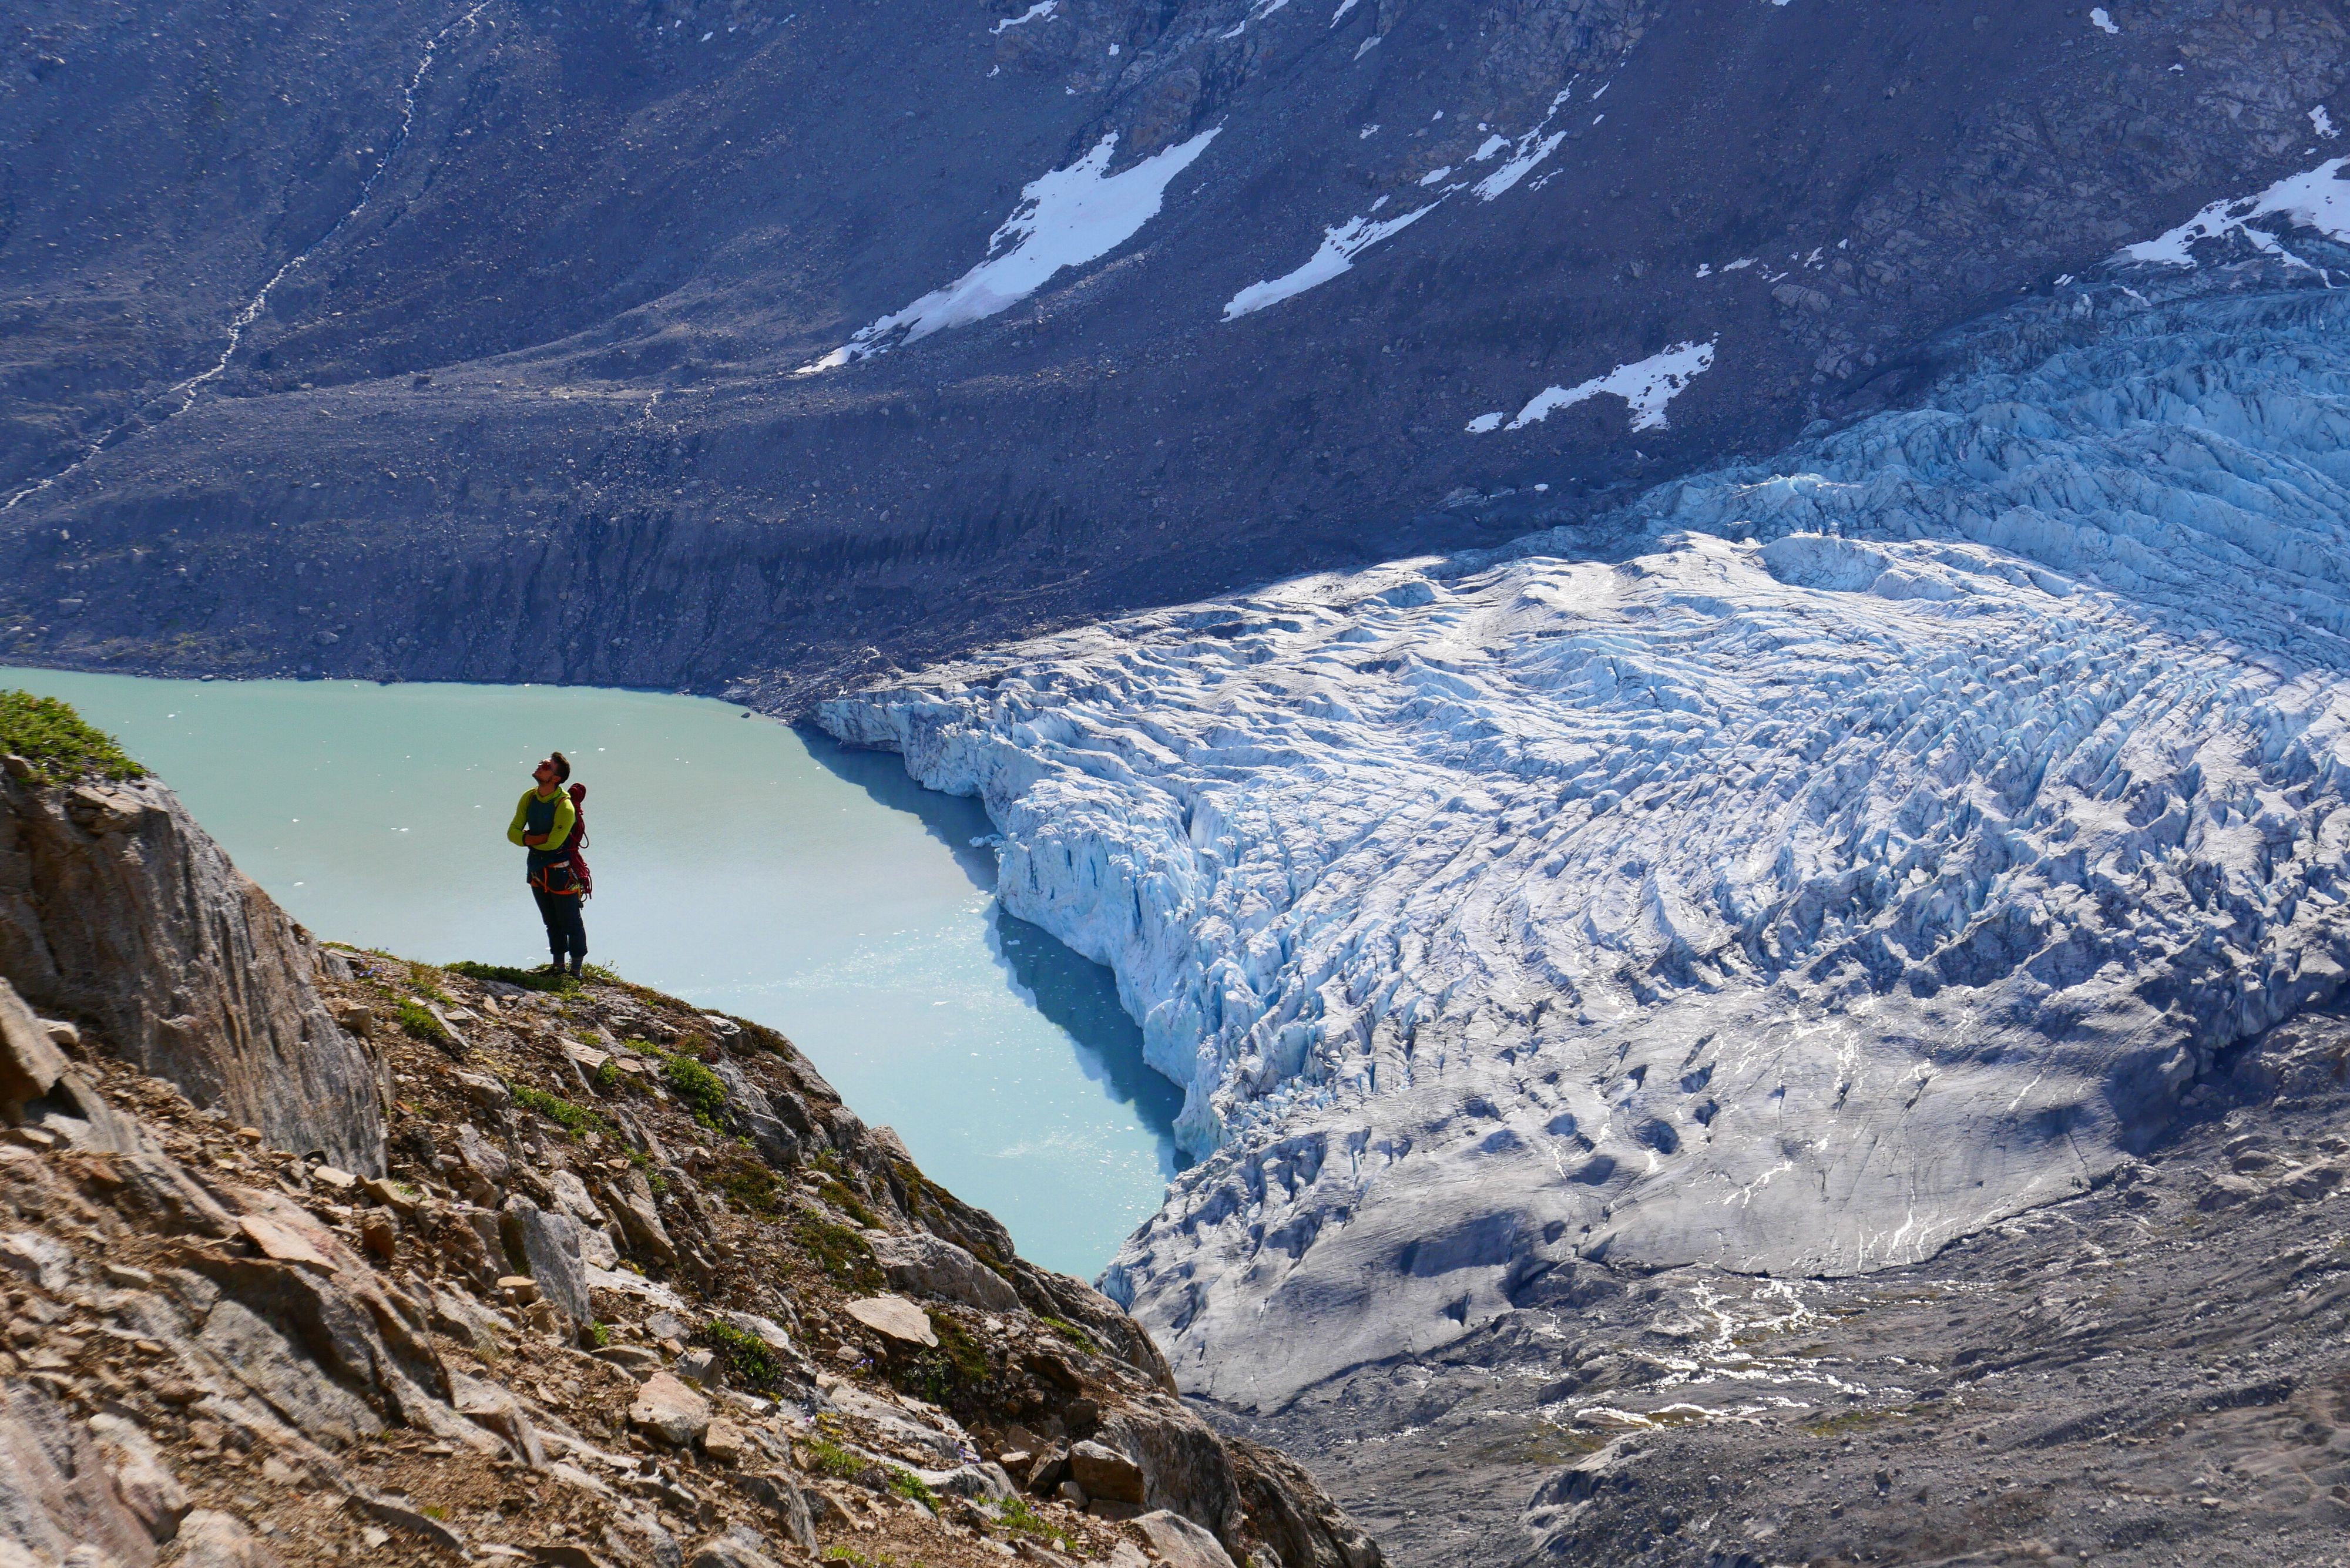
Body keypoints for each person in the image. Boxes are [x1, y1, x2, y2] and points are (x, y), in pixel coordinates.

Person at [507, 751, 587, 976]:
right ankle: (558, 966)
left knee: (571, 922)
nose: (540, 766)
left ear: (556, 778)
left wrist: (527, 839)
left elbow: (553, 844)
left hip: (560, 873)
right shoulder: (528, 797)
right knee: (551, 921)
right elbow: (511, 834)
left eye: (546, 766)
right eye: (541, 763)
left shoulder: (565, 806)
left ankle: (576, 971)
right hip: (538, 871)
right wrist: (536, 839)